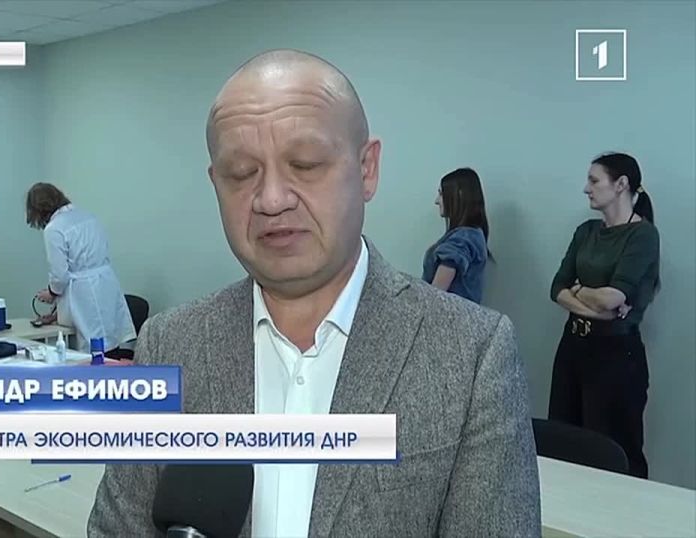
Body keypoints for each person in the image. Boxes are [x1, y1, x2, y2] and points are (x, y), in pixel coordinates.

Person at [88, 50, 539, 537]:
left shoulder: (471, 353)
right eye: (241, 173)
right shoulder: (170, 343)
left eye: (305, 165)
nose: (272, 199)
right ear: (216, 183)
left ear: (367, 169)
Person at [548, 152, 659, 479]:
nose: (587, 188)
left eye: (594, 180)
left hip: (615, 355)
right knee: (563, 440)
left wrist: (578, 290)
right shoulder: (586, 231)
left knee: (612, 449)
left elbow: (615, 297)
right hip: (573, 347)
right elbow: (557, 287)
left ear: (621, 184)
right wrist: (595, 305)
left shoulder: (643, 235)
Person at [25, 182, 135, 353]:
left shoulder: (54, 229)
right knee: (110, 343)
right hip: (106, 284)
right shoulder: (87, 216)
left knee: (94, 349)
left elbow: (60, 275)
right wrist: (57, 313)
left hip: (84, 294)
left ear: (36, 210)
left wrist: (51, 293)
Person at [421, 167, 491, 303]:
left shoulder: (463, 239)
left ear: (458, 195)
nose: (436, 201)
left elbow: (435, 296)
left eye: (441, 194)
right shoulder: (472, 235)